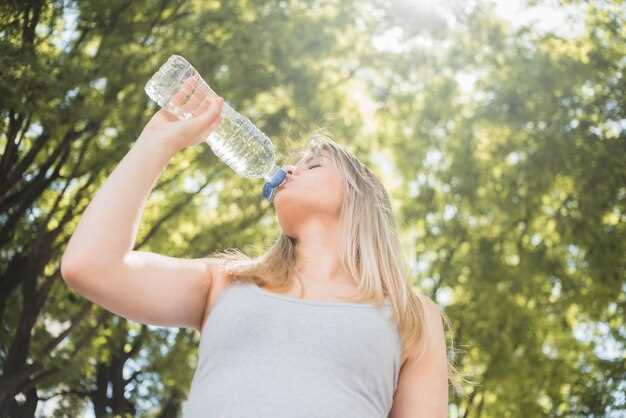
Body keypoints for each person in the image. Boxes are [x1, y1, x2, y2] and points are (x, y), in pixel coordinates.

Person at [61, 84, 459, 417]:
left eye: (313, 165)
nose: (289, 170)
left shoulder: (412, 314)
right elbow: (91, 266)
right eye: (292, 164)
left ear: (360, 198)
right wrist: (155, 143)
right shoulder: (224, 281)